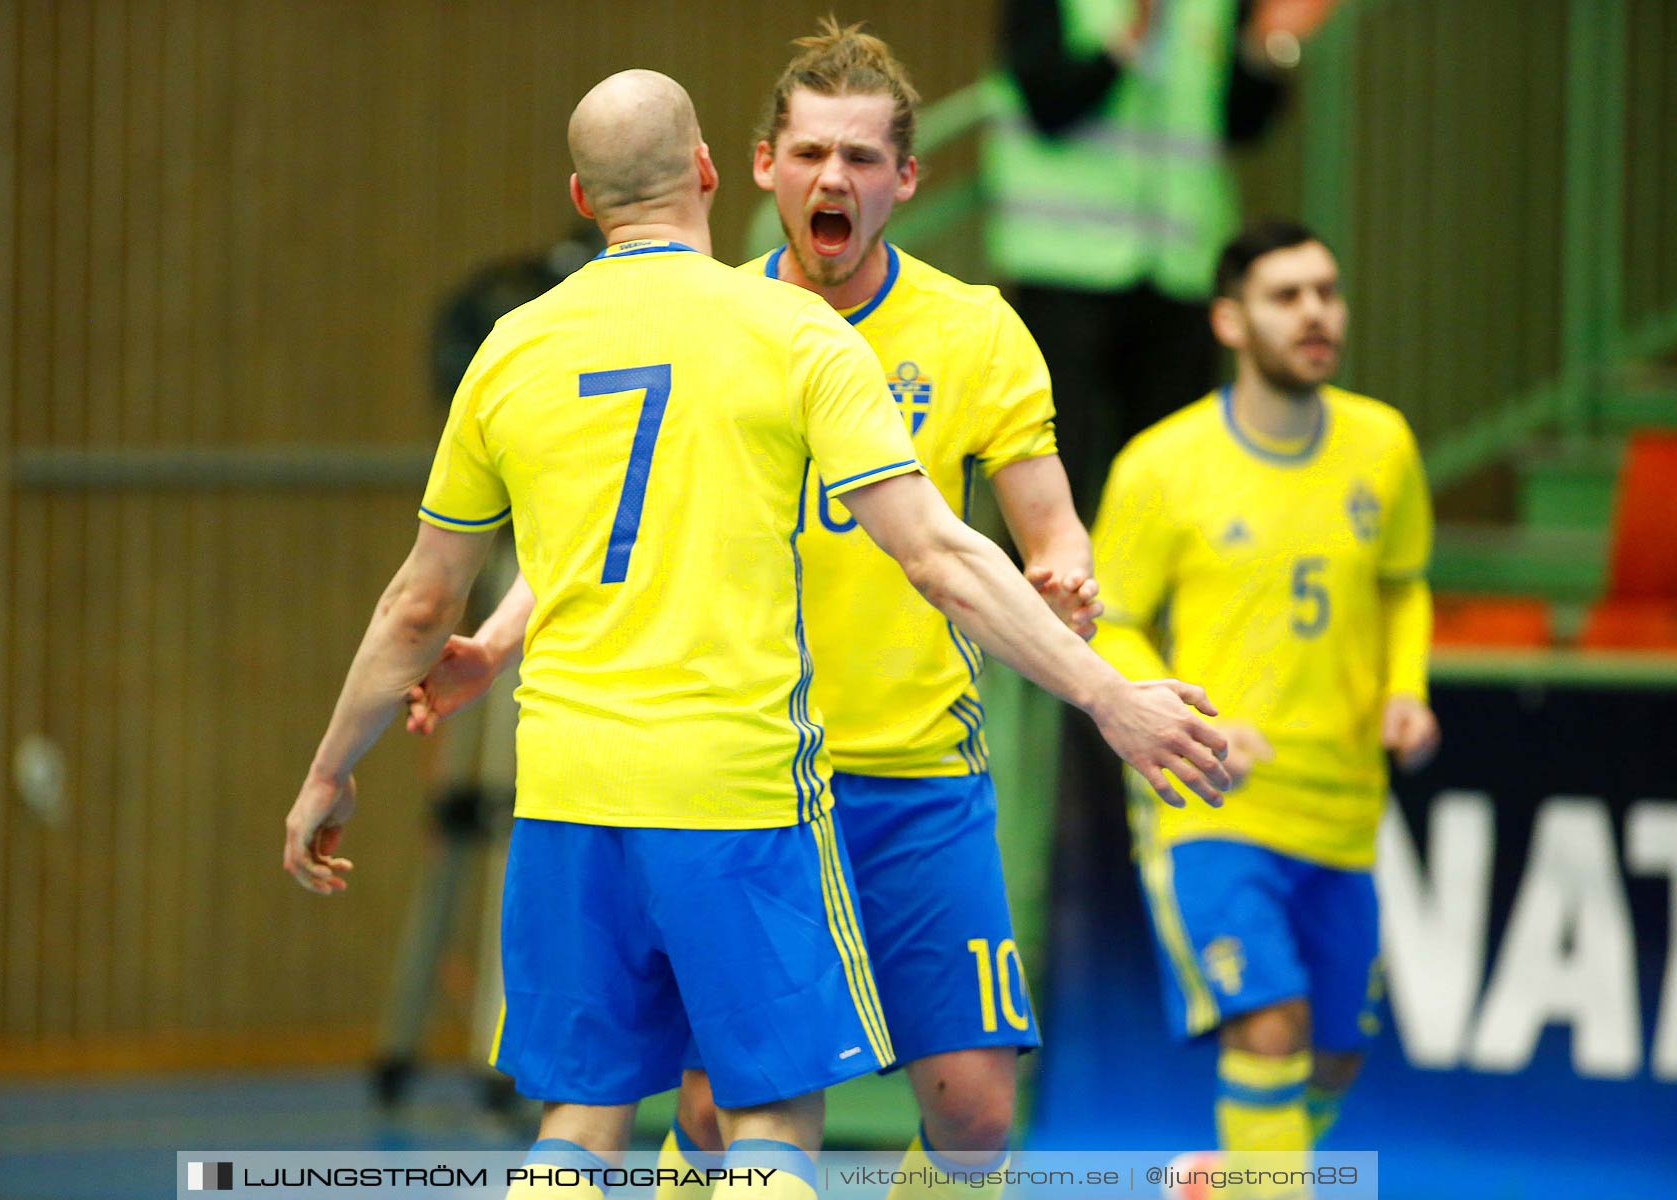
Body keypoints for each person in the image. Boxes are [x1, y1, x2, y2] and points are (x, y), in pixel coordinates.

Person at [288, 69, 1230, 1200]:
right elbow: (918, 549)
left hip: (809, 770)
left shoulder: (527, 345)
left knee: (629, 1118)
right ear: (732, 168)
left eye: (864, 157)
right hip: (750, 776)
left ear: (583, 199)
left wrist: (331, 768)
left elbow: (422, 598)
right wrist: (1109, 695)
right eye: (813, 153)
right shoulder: (773, 328)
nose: (835, 178)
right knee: (755, 1116)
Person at [1088, 220, 1438, 1192]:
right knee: (1267, 1022)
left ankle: (1236, 1176)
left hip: (1343, 809)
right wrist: (1186, 718)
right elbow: (1107, 626)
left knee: (1334, 1056)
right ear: (1231, 321)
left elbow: (1404, 582)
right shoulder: (1161, 467)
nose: (1317, 313)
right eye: (1288, 296)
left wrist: (1405, 690)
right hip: (1215, 806)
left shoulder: (1385, 445)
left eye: (1327, 291)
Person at [984, 0, 1336, 516]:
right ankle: (1036, 600)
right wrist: (1132, 34)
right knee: (1050, 480)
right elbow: (1047, 104)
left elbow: (1243, 124)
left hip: (1181, 267)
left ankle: (1152, 600)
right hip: (1063, 260)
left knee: (1171, 480)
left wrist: (1268, 44)